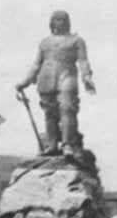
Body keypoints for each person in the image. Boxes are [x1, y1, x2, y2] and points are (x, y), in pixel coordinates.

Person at [15, 10, 96, 157]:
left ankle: (67, 144)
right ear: (52, 22)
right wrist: (25, 82)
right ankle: (51, 145)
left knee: (67, 109)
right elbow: (36, 65)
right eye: (57, 19)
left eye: (64, 19)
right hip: (46, 79)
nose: (61, 22)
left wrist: (87, 77)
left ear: (68, 22)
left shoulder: (77, 40)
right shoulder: (45, 42)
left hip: (67, 77)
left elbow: (83, 61)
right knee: (50, 113)